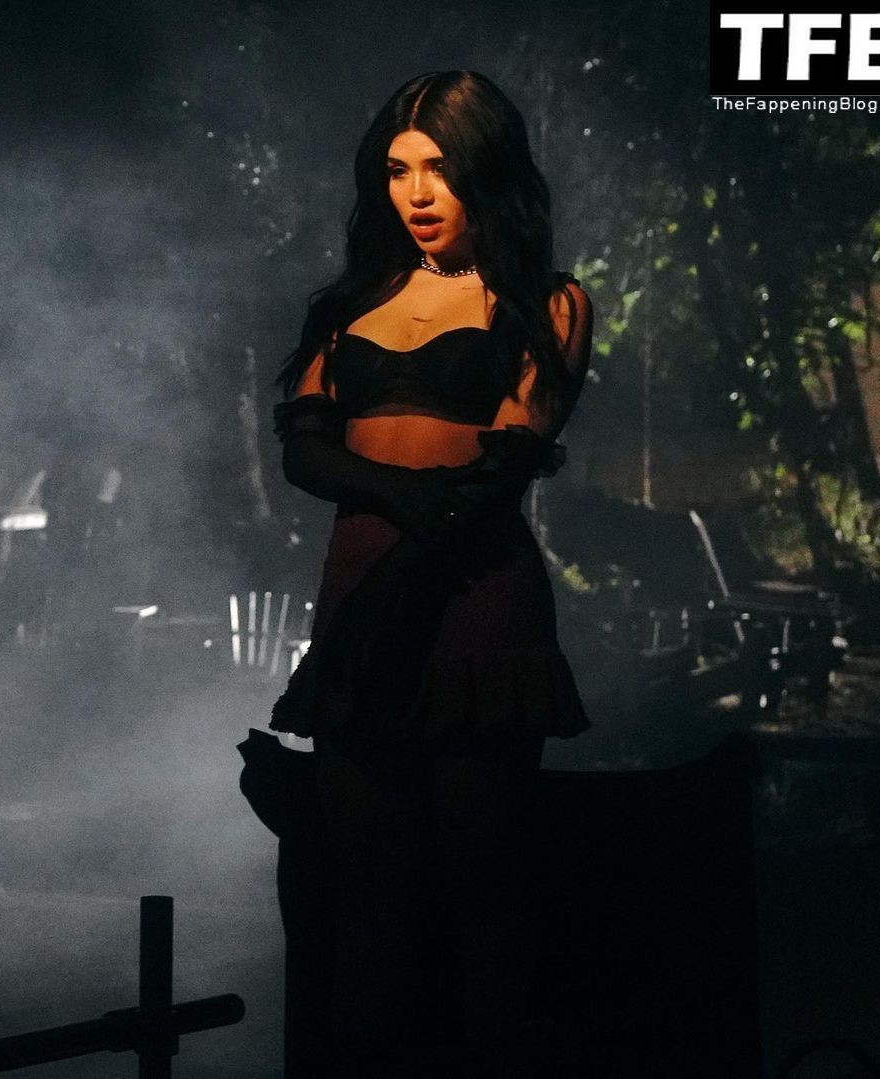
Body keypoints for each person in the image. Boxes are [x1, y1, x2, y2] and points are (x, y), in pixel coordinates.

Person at [269, 69, 594, 1078]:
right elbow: (303, 449)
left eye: (440, 168)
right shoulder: (352, 304)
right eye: (398, 168)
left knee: (483, 878)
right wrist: (399, 502)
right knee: (366, 878)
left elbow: (506, 462)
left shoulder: (546, 303)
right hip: (360, 595)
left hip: (475, 601)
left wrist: (408, 530)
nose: (415, 192)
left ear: (485, 171)